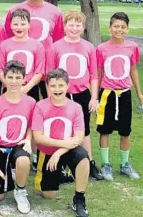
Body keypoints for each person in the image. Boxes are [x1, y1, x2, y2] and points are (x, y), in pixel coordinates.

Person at [96, 12, 143, 181]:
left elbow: (133, 70)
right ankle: (105, 165)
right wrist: (96, 97)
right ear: (110, 27)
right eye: (116, 26)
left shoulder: (132, 47)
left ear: (127, 29)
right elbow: (98, 72)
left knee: (125, 132)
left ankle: (125, 164)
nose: (119, 30)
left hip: (124, 93)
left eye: (123, 27)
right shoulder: (101, 49)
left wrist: (139, 93)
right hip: (107, 94)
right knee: (105, 131)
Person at [52, 10, 103, 180]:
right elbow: (50, 76)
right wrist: (50, 98)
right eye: (71, 24)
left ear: (83, 27)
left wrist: (94, 97)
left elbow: (94, 75)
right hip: (61, 95)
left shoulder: (88, 47)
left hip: (82, 94)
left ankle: (88, 162)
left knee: (84, 130)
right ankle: (60, 166)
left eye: (78, 25)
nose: (74, 28)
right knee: (61, 129)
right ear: (65, 26)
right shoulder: (56, 47)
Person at [32, 68, 90, 217]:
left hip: (65, 150)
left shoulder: (76, 107)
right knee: (48, 195)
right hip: (47, 152)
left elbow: (79, 137)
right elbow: (38, 137)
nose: (57, 89)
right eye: (53, 86)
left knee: (84, 158)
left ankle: (79, 198)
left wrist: (59, 152)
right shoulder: (40, 106)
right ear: (47, 87)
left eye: (61, 85)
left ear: (67, 85)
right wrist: (60, 146)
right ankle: (61, 174)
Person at [4, 0, 64, 102]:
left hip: (47, 69)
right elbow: (8, 39)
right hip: (21, 70)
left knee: (48, 107)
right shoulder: (14, 11)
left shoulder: (55, 12)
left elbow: (58, 42)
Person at [0, 60, 35, 214]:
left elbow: (30, 125)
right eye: (10, 77)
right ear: (4, 78)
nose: (14, 81)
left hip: (18, 145)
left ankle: (21, 190)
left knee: (23, 160)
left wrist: (28, 139)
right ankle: (9, 171)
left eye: (17, 78)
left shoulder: (30, 102)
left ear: (24, 79)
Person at [0, 9, 45, 101]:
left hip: (30, 88)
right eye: (15, 24)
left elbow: (39, 71)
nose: (19, 27)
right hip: (9, 87)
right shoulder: (4, 45)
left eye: (23, 24)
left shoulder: (37, 46)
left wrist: (26, 88)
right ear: (10, 25)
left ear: (29, 25)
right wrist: (10, 85)